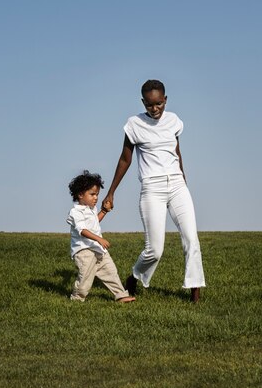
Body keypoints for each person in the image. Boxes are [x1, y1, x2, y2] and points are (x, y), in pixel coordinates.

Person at [102, 79, 205, 302]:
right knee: (155, 250)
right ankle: (133, 278)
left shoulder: (174, 121)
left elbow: (176, 151)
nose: (155, 109)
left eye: (159, 103)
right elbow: (125, 159)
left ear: (165, 100)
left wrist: (183, 179)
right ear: (143, 102)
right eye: (150, 105)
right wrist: (111, 192)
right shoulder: (134, 125)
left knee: (191, 239)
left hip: (177, 185)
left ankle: (195, 290)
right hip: (152, 189)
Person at [67, 170, 136, 303]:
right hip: (84, 250)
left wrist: (104, 211)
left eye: (97, 194)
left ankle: (121, 295)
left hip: (98, 249)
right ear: (80, 194)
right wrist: (99, 238)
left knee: (111, 271)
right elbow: (83, 230)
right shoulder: (76, 212)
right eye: (92, 194)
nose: (96, 198)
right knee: (86, 277)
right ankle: (77, 298)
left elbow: (94, 222)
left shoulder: (92, 210)